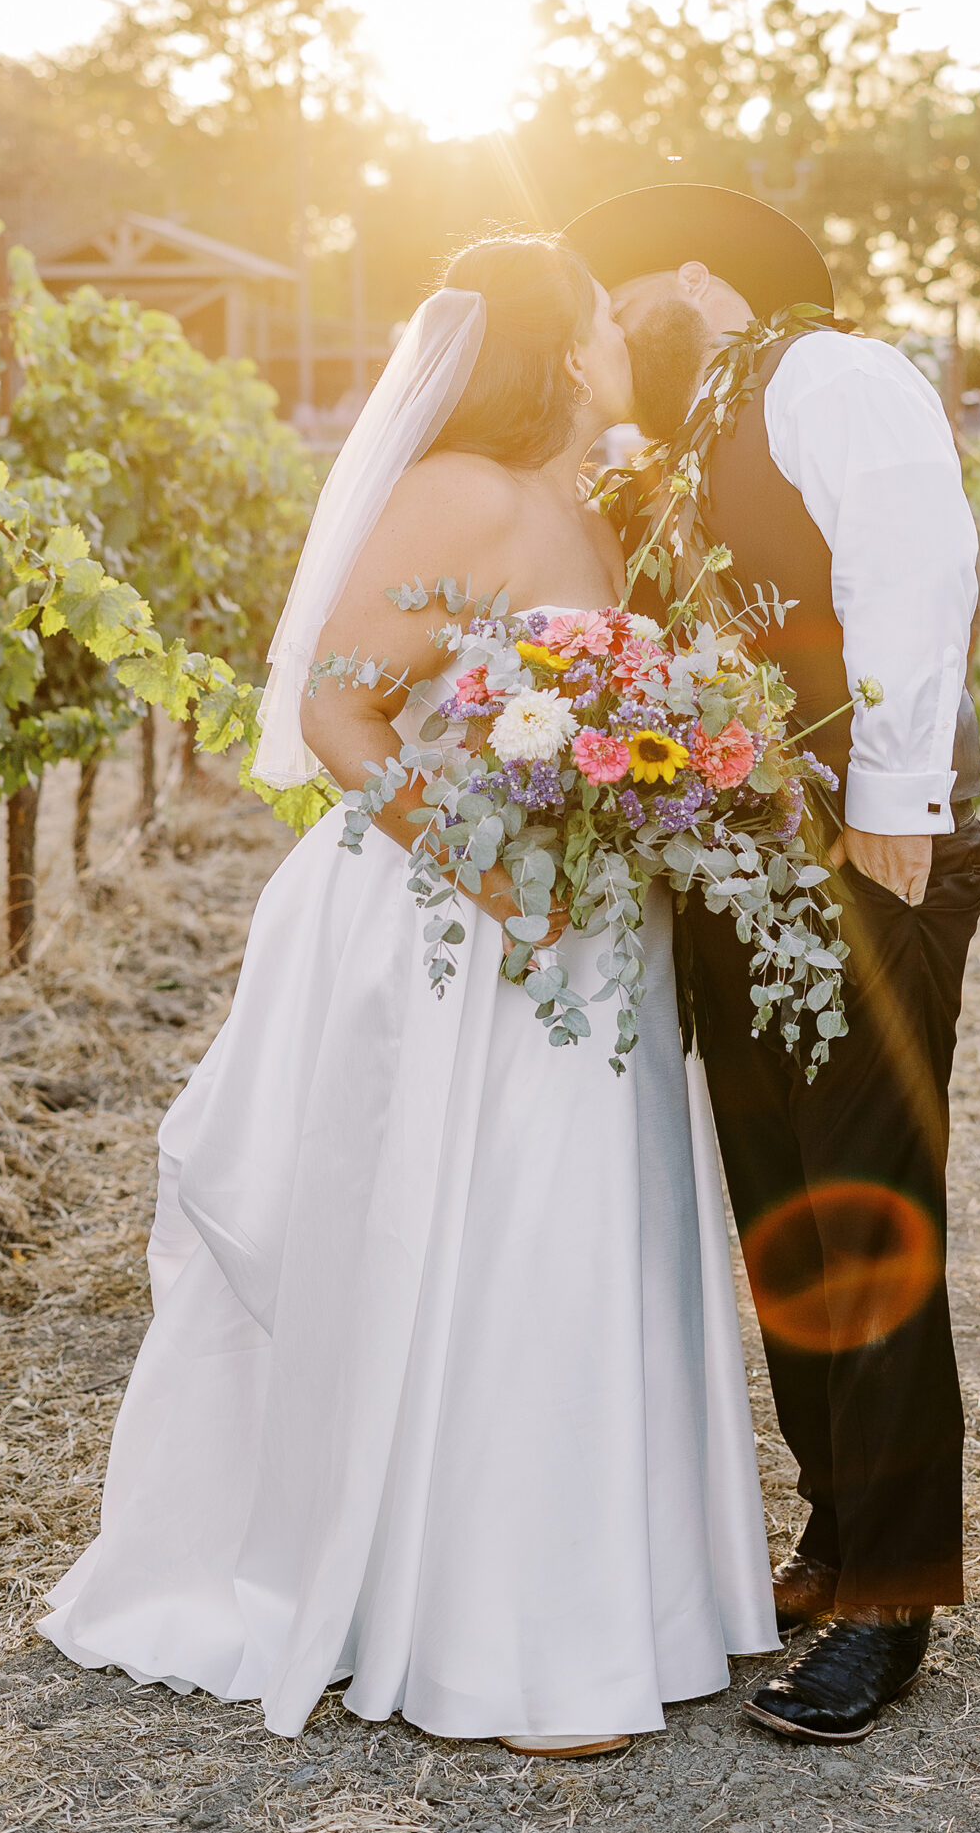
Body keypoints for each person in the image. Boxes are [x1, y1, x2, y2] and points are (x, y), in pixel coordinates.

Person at [39, 236, 778, 1753]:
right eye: (602, 318)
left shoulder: (606, 500)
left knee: (591, 1243)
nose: (619, 339)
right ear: (569, 355)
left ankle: (618, 1610)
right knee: (505, 1236)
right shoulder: (462, 492)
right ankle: (501, 1645)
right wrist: (494, 870)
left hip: (593, 934)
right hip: (469, 927)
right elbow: (333, 703)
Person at [565, 183, 980, 1745]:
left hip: (871, 861)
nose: (604, 338)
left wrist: (894, 811)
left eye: (616, 307)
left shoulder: (834, 376)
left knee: (868, 1217)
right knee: (783, 1221)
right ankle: (833, 1532)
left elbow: (911, 571)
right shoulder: (684, 443)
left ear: (694, 279)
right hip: (742, 874)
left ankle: (894, 1599)